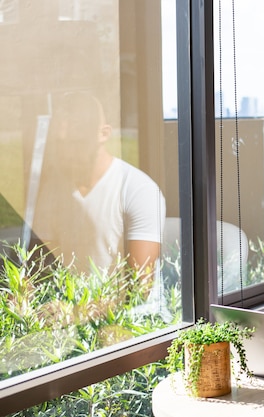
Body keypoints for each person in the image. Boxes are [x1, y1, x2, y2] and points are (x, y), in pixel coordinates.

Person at [31, 91, 168, 321]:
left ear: (104, 134)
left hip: (134, 325)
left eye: (76, 143)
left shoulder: (139, 190)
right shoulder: (54, 188)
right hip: (71, 322)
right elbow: (43, 267)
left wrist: (76, 312)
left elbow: (139, 290)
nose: (66, 153)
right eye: (60, 144)